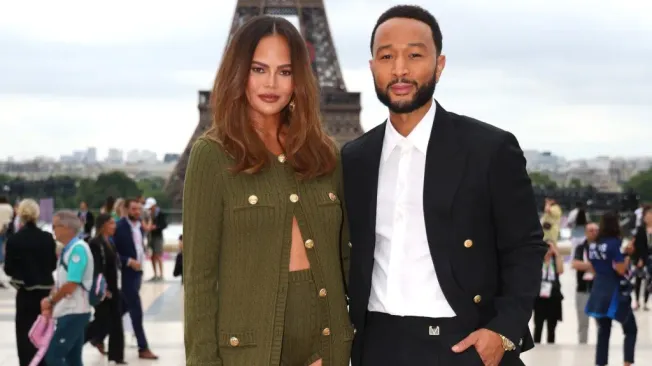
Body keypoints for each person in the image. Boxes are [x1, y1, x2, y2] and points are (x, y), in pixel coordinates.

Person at [341, 5, 547, 366]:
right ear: (372, 66)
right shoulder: (354, 159)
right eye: (387, 56)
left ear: (439, 64)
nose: (400, 68)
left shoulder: (489, 149)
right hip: (378, 347)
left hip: (463, 344)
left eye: (415, 55)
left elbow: (525, 247)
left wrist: (503, 331)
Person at [183, 15, 351, 366]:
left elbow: (345, 258)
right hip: (249, 354)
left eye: (285, 71)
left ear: (299, 78)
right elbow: (199, 279)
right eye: (259, 69)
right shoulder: (212, 155)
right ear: (239, 71)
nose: (271, 82)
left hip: (326, 346)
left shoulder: (325, 154)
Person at [3, 199, 57, 366]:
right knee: (44, 333)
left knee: (25, 334)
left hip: (25, 293)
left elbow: (8, 269)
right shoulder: (48, 238)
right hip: (45, 294)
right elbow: (52, 265)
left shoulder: (14, 240)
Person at [42, 210, 94, 366]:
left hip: (74, 311)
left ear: (67, 228)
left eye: (55, 226)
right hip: (70, 310)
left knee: (53, 357)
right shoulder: (68, 249)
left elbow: (71, 285)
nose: (53, 230)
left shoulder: (78, 249)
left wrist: (51, 301)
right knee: (73, 359)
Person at [585, 211, 637, 366]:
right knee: (630, 329)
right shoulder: (614, 243)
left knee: (603, 332)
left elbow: (595, 268)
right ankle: (627, 363)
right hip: (615, 293)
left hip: (599, 291)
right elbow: (621, 269)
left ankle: (600, 363)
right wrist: (628, 256)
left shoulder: (593, 245)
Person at [113, 198, 158, 360]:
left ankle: (96, 335)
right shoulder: (119, 228)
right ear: (126, 209)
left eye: (139, 209)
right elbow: (112, 252)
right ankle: (143, 347)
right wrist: (128, 261)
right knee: (136, 310)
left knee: (122, 309)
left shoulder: (139, 227)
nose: (137, 212)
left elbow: (138, 247)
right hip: (127, 273)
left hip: (137, 273)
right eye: (133, 209)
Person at [85, 213, 126, 364]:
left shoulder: (110, 242)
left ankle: (117, 355)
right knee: (101, 321)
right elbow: (96, 268)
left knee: (116, 320)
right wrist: (103, 289)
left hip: (114, 288)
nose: (114, 226)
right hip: (103, 289)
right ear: (103, 225)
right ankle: (81, 340)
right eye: (111, 224)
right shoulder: (95, 243)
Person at [570, 223, 598, 344]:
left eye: (595, 230)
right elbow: (575, 264)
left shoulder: (602, 248)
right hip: (582, 289)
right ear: (586, 232)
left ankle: (601, 348)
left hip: (598, 290)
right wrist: (593, 266)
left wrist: (585, 266)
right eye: (590, 230)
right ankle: (582, 346)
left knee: (601, 323)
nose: (593, 232)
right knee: (583, 323)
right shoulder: (580, 248)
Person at [532, 241, 564, 344]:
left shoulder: (555, 260)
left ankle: (551, 346)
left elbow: (560, 270)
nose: (548, 250)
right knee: (538, 325)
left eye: (549, 247)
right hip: (539, 297)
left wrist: (556, 253)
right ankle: (536, 345)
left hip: (553, 296)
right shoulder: (537, 260)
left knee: (552, 326)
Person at [632, 205, 652, 310]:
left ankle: (645, 301)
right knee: (638, 279)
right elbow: (637, 245)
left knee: (649, 280)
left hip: (651, 258)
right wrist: (638, 258)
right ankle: (637, 301)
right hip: (641, 257)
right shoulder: (640, 230)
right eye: (647, 216)